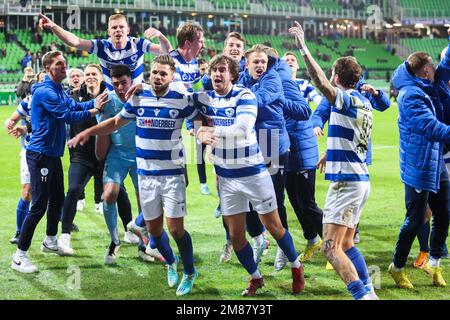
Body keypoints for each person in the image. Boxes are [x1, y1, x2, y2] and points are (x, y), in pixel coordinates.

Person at [68, 55, 199, 295]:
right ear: (149, 75)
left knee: (175, 229)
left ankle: (189, 271)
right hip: (146, 174)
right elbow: (115, 122)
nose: (158, 77)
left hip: (171, 175)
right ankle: (171, 262)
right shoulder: (139, 97)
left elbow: (198, 119)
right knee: (155, 230)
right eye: (155, 73)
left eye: (163, 74)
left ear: (172, 77)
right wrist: (87, 131)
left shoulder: (182, 99)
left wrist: (202, 137)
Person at [195, 54, 305, 296]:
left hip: (254, 174)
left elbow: (242, 129)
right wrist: (197, 132)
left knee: (274, 227)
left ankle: (297, 267)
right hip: (226, 178)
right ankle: (256, 277)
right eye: (214, 70)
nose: (217, 74)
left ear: (233, 75)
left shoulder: (245, 95)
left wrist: (208, 130)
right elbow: (185, 107)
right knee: (236, 236)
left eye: (222, 70)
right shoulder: (206, 99)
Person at [290, 21, 377, 300]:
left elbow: (321, 85)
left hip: (347, 182)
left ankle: (360, 295)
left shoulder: (348, 99)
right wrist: (332, 152)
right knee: (347, 242)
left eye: (332, 75)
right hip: (359, 179)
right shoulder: (364, 102)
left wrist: (303, 47)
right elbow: (356, 139)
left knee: (330, 247)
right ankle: (369, 292)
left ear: (337, 77)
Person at [10, 51, 109, 273]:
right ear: (47, 69)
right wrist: (94, 109)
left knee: (57, 200)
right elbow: (67, 115)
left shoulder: (58, 89)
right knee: (38, 206)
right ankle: (19, 256)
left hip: (52, 154)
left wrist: (93, 102)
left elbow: (74, 107)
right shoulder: (46, 91)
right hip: (40, 154)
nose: (64, 67)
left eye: (65, 64)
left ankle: (50, 240)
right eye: (59, 65)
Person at [58, 64, 139, 257]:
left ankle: (128, 231)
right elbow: (68, 117)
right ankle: (64, 236)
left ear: (102, 77)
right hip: (82, 155)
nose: (90, 77)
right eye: (87, 74)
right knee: (74, 190)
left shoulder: (111, 96)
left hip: (107, 154)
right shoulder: (75, 98)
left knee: (119, 194)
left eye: (94, 73)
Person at [389, 37, 450, 288]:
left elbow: (447, 63)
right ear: (426, 70)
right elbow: (429, 127)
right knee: (415, 219)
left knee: (445, 214)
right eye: (433, 67)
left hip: (435, 161)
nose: (437, 70)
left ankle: (434, 263)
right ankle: (397, 266)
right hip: (418, 165)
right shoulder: (411, 95)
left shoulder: (425, 86)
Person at [39, 13, 172, 90]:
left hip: (136, 97)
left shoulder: (138, 44)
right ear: (109, 31)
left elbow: (167, 52)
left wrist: (160, 36)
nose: (118, 30)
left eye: (121, 27)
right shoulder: (102, 46)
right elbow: (75, 42)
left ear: (128, 30)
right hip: (112, 99)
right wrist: (53, 26)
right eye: (114, 27)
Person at [281, 51, 324, 263]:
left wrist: (315, 122)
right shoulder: (276, 83)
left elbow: (319, 102)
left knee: (307, 203)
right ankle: (312, 240)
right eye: (285, 60)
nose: (289, 62)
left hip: (303, 148)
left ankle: (335, 245)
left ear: (297, 66)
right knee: (295, 202)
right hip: (284, 149)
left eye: (292, 60)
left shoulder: (302, 85)